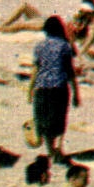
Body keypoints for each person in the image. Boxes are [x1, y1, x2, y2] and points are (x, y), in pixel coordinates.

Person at [29, 16, 80, 163]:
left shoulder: (39, 47)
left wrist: (29, 90)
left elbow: (35, 70)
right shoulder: (65, 46)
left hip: (42, 87)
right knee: (59, 120)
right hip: (59, 87)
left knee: (44, 121)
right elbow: (70, 71)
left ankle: (51, 152)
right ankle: (58, 150)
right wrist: (76, 93)